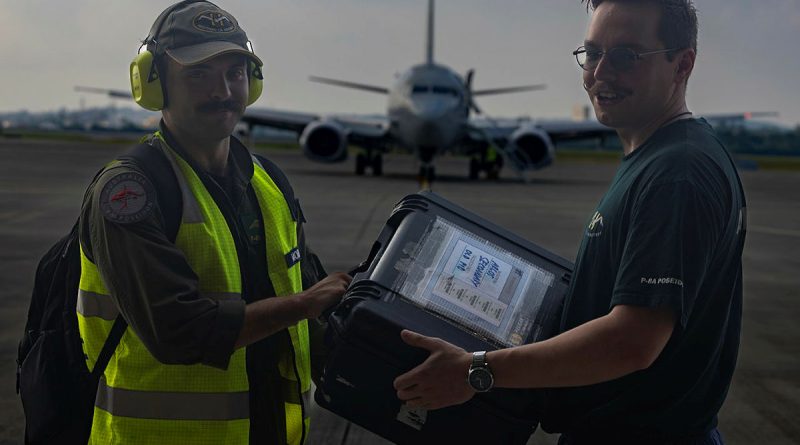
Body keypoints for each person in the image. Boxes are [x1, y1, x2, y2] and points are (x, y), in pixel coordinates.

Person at [393, 1, 746, 444]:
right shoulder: (658, 157)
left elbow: (632, 341)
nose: (600, 73)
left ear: (683, 64)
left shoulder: (679, 173)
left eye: (626, 56)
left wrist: (475, 371)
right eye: (592, 53)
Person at [76, 1, 351, 444]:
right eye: (198, 75)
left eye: (235, 73)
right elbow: (179, 332)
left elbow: (311, 304)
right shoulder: (129, 192)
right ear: (154, 84)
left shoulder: (269, 183)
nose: (222, 91)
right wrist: (305, 303)